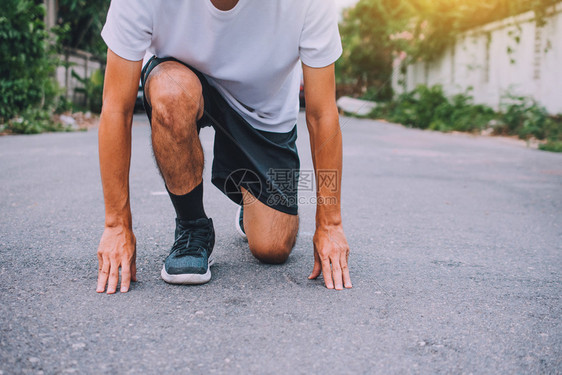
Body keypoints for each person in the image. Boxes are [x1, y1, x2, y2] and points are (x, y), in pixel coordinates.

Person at [95, 0, 352, 294]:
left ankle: (248, 194)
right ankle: (193, 226)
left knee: (272, 247)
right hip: (182, 83)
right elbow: (116, 108)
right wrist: (116, 226)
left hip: (262, 113)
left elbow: (322, 114)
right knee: (170, 92)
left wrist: (330, 224)